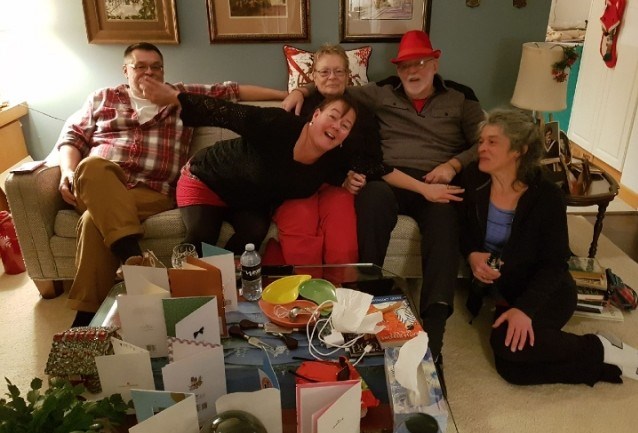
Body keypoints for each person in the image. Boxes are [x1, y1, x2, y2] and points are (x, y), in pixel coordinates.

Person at [283, 30, 482, 362]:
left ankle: (435, 329)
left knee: (446, 222)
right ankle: (368, 294)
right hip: (389, 178)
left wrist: (453, 164)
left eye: (420, 63)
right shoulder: (379, 92)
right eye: (405, 66)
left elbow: (487, 140)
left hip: (437, 178)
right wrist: (300, 90)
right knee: (371, 199)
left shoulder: (461, 99)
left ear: (435, 62)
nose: (412, 72)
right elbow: (333, 89)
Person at [57, 42, 288, 325]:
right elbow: (72, 137)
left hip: (152, 192)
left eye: (156, 67)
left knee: (95, 221)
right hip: (99, 183)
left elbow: (234, 91)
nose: (149, 73)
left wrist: (287, 96)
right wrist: (68, 172)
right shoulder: (102, 98)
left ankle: (88, 318)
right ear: (125, 70)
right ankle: (135, 263)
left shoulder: (179, 97)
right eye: (140, 66)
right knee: (90, 166)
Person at [459, 108, 637, 385]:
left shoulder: (547, 195)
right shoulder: (473, 178)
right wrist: (472, 256)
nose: (481, 147)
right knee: (512, 370)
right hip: (506, 289)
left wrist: (525, 310)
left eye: (492, 141)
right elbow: (462, 231)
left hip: (547, 290)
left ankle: (598, 346)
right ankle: (601, 362)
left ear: (519, 150)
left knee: (508, 349)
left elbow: (555, 263)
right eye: (481, 141)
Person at [141, 81, 394, 261]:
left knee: (253, 235)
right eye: (333, 116)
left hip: (247, 200)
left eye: (345, 125)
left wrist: (424, 188)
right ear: (315, 115)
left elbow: (376, 169)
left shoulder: (333, 156)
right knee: (202, 236)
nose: (337, 126)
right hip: (207, 179)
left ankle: (228, 289)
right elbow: (226, 114)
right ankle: (180, 300)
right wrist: (175, 98)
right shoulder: (278, 124)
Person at [271, 44, 461, 265]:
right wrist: (300, 90)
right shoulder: (297, 106)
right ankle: (305, 290)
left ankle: (344, 289)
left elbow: (372, 160)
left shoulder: (363, 110)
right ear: (314, 76)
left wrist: (353, 176)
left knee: (342, 235)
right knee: (301, 225)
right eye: (324, 72)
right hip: (299, 187)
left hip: (337, 187)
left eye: (339, 71)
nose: (332, 77)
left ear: (348, 75)